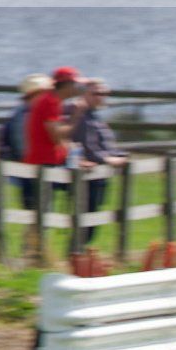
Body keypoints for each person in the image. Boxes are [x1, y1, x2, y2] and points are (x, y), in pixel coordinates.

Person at [67, 78, 128, 244]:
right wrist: (109, 159)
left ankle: (81, 254)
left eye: (103, 94)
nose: (101, 97)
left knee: (93, 217)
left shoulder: (93, 116)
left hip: (98, 174)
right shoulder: (81, 116)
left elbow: (104, 144)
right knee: (87, 217)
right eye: (96, 93)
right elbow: (87, 146)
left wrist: (120, 156)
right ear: (84, 94)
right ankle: (77, 254)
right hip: (88, 174)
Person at [22, 67, 82, 221]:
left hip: (47, 162)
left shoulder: (52, 101)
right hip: (43, 164)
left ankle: (36, 244)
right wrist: (76, 116)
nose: (78, 88)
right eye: (75, 84)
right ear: (67, 85)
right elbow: (55, 136)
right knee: (42, 215)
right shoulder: (50, 102)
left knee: (44, 214)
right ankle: (34, 245)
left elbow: (58, 137)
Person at [0, 74, 51, 209]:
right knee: (36, 212)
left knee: (42, 213)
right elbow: (22, 145)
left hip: (37, 169)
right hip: (30, 171)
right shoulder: (23, 115)